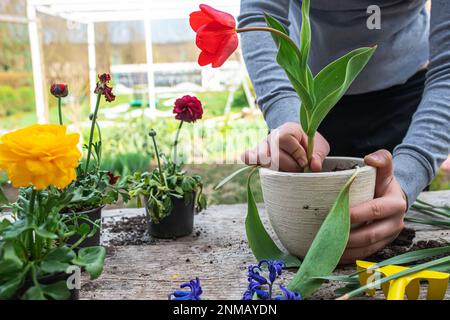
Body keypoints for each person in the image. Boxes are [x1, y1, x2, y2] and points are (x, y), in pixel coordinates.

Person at [238, 0, 450, 263]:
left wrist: (409, 176)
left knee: (385, 220)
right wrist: (286, 113)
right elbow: (261, 13)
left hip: (407, 98)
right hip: (310, 98)